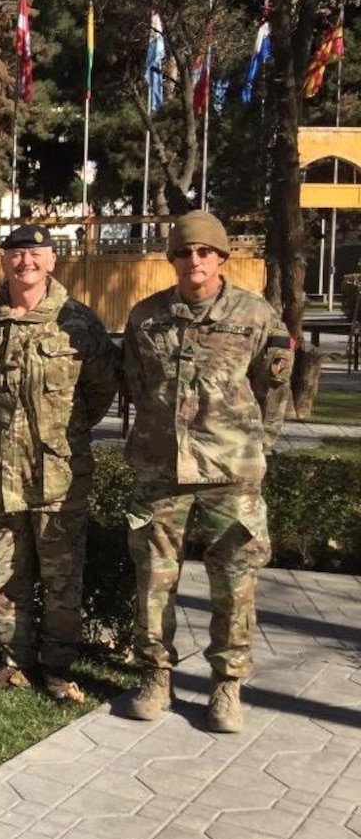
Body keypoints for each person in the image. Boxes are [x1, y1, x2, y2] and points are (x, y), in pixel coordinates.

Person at [117, 211, 292, 733]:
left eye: (204, 252)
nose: (194, 261)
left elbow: (274, 388)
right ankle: (154, 676)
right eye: (183, 252)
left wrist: (258, 447)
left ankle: (226, 685)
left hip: (230, 471)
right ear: (172, 258)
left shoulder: (255, 315)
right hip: (160, 468)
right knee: (153, 580)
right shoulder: (146, 317)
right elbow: (135, 381)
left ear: (220, 257)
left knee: (234, 583)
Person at [0, 225, 118, 702]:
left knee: (61, 578)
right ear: (4, 262)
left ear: (52, 261)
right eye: (16, 254)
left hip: (57, 476)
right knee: (6, 576)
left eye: (34, 254)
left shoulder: (78, 323)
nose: (24, 262)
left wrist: (60, 434)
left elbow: (101, 388)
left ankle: (58, 667)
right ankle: (13, 661)